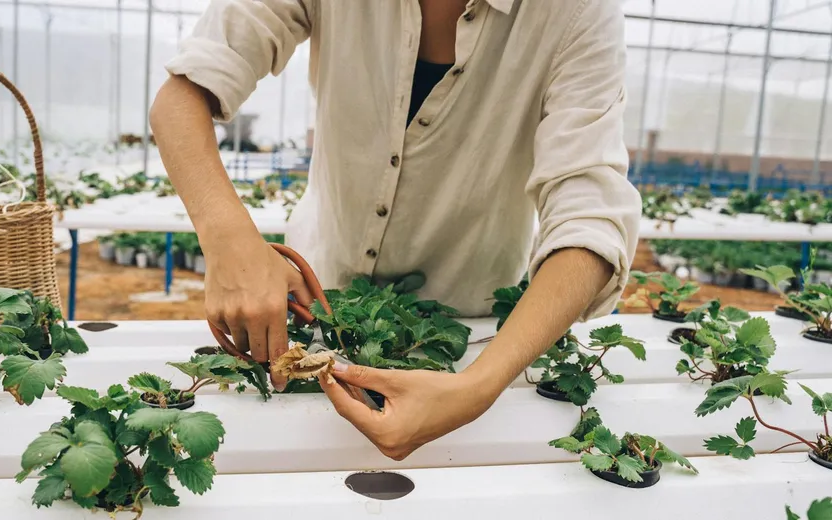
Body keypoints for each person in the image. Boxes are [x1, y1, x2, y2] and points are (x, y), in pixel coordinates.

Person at [149, 0, 641, 461]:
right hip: (314, 306)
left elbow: (590, 213)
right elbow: (182, 97)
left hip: (467, 340)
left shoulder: (576, 12)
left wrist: (477, 386)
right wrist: (231, 242)